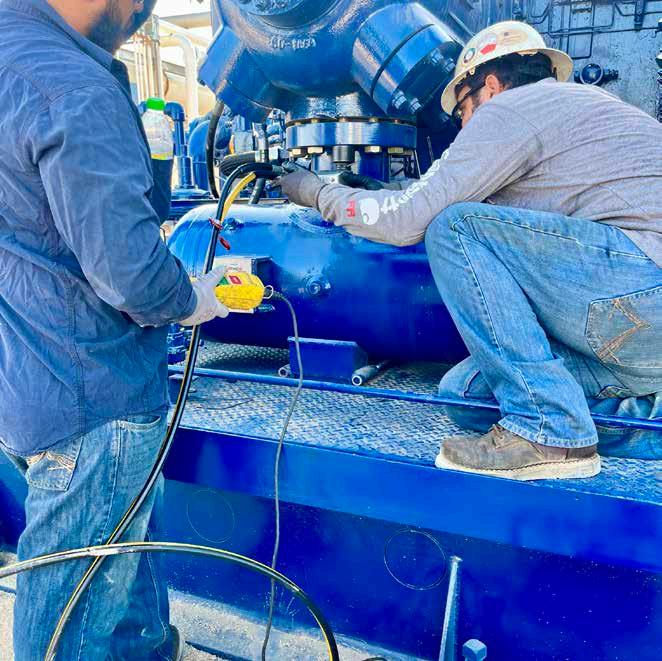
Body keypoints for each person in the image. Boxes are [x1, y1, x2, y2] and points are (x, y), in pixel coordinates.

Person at [278, 20, 662, 480]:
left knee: (454, 228)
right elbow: (488, 207)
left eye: (461, 108)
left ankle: (551, 434)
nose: (462, 124)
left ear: (491, 86)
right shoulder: (583, 109)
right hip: (638, 333)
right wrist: (390, 191)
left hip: (638, 295)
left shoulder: (512, 109)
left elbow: (408, 221)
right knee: (466, 394)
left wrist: (318, 193)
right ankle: (642, 425)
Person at [0, 1, 227, 658]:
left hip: (28, 376)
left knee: (120, 560)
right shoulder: (72, 86)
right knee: (69, 622)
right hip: (94, 398)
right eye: (138, 6)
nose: (139, 17)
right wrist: (193, 297)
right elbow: (132, 276)